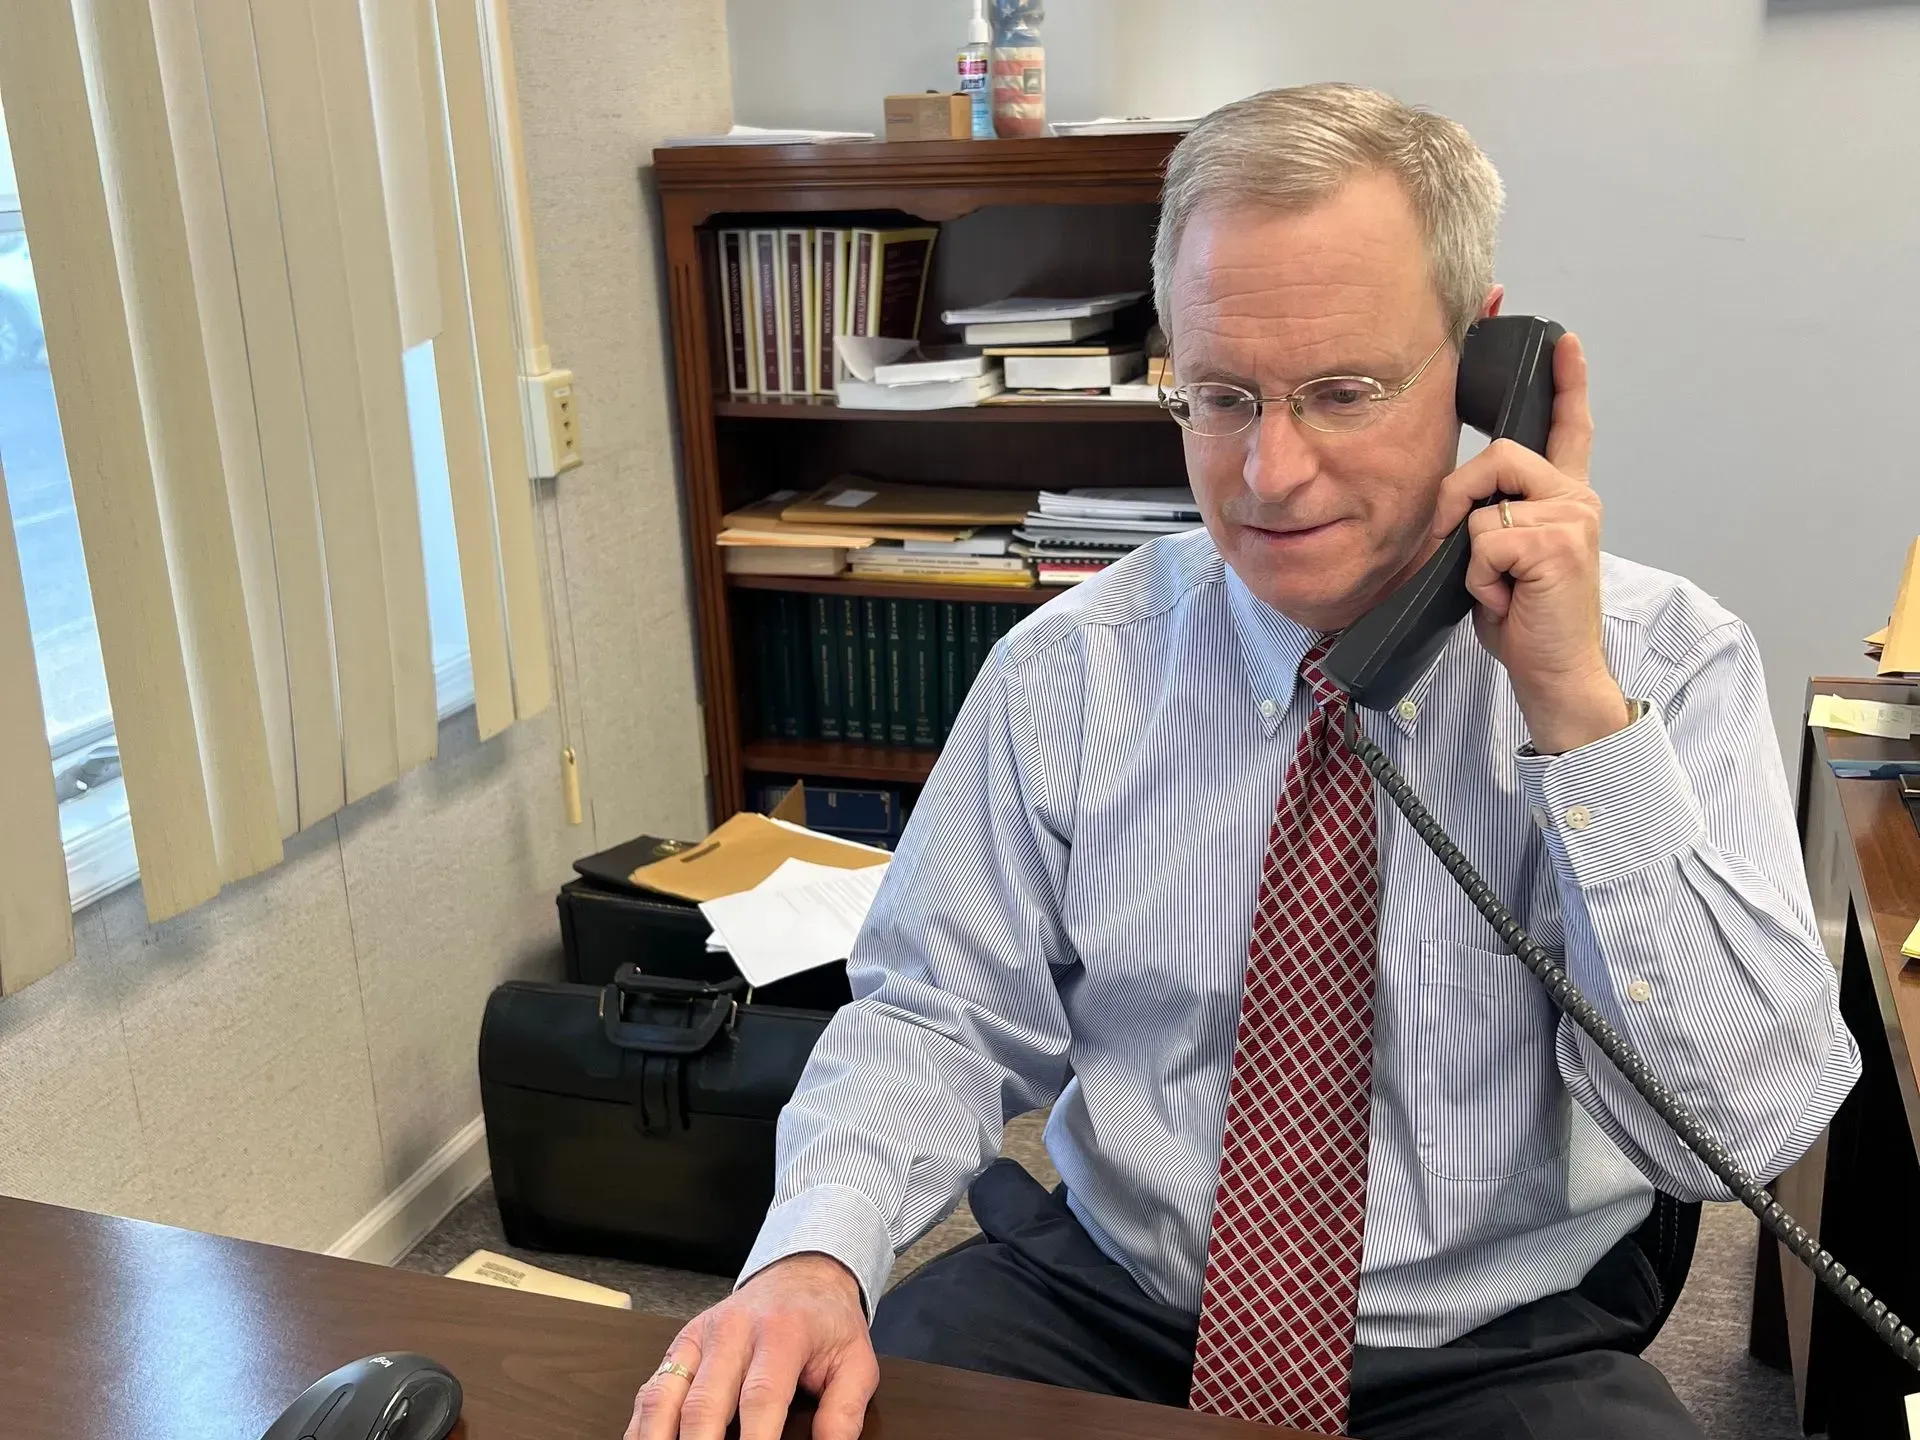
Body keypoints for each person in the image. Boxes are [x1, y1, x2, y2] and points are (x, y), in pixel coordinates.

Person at [625, 83, 1859, 1440]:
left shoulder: (1665, 665)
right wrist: (814, 1253)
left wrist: (1570, 708)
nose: (1270, 474)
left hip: (1490, 1345)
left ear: (1486, 365)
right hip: (1114, 1302)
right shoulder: (1070, 670)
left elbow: (1740, 1137)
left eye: (1343, 391)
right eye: (1222, 397)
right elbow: (936, 1015)